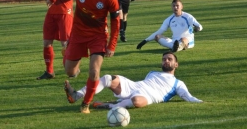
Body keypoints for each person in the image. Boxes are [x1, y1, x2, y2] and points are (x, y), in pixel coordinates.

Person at [47, 0, 120, 114]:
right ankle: (74, 66)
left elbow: (115, 21)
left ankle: (85, 104)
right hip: (78, 34)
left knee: (94, 71)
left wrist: (112, 45)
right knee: (69, 72)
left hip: (98, 36)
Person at [64, 52, 203, 110]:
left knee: (136, 101)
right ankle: (77, 95)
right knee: (107, 78)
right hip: (135, 86)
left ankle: (111, 106)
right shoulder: (152, 73)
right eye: (164, 59)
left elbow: (188, 97)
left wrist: (201, 102)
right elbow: (142, 83)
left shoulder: (178, 83)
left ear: (176, 65)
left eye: (169, 59)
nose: (166, 61)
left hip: (151, 96)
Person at [24, 0, 81, 80]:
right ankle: (49, 72)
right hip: (51, 13)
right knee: (46, 42)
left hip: (65, 13)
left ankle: (71, 69)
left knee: (65, 44)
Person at [136, 0, 203, 52]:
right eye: (173, 6)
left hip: (187, 40)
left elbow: (200, 26)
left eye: (177, 6)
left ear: (182, 7)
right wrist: (145, 41)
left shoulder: (188, 17)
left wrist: (197, 28)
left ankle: (177, 47)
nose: (175, 7)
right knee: (157, 37)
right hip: (174, 41)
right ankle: (175, 47)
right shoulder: (169, 19)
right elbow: (160, 31)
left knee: (183, 39)